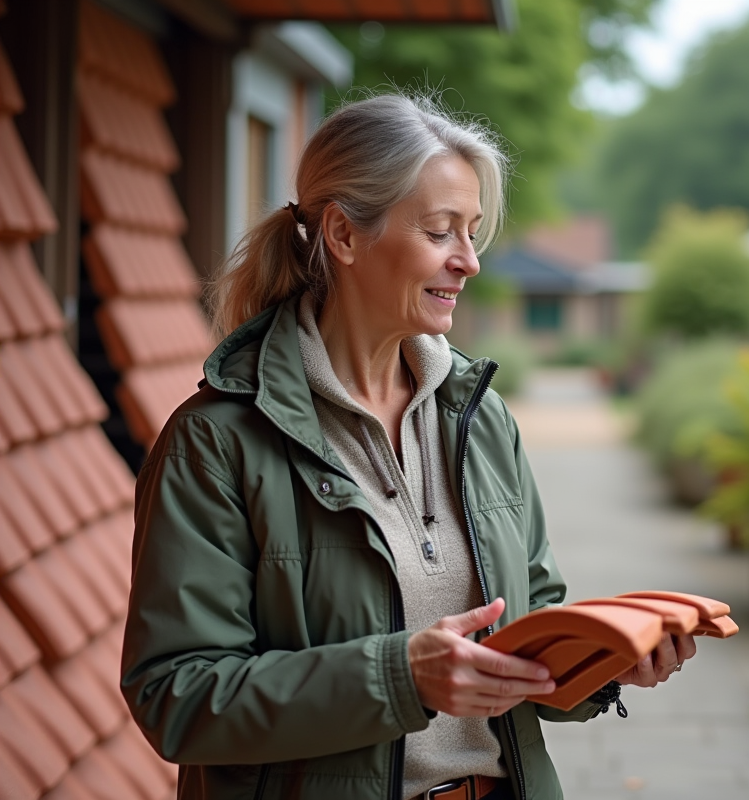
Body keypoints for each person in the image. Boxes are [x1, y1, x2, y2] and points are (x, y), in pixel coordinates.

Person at [120, 93, 696, 800]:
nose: (469, 262)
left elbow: (530, 632)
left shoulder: (482, 419)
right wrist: (399, 678)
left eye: (473, 233)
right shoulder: (214, 442)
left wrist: (601, 663)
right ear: (344, 234)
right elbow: (176, 696)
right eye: (440, 231)